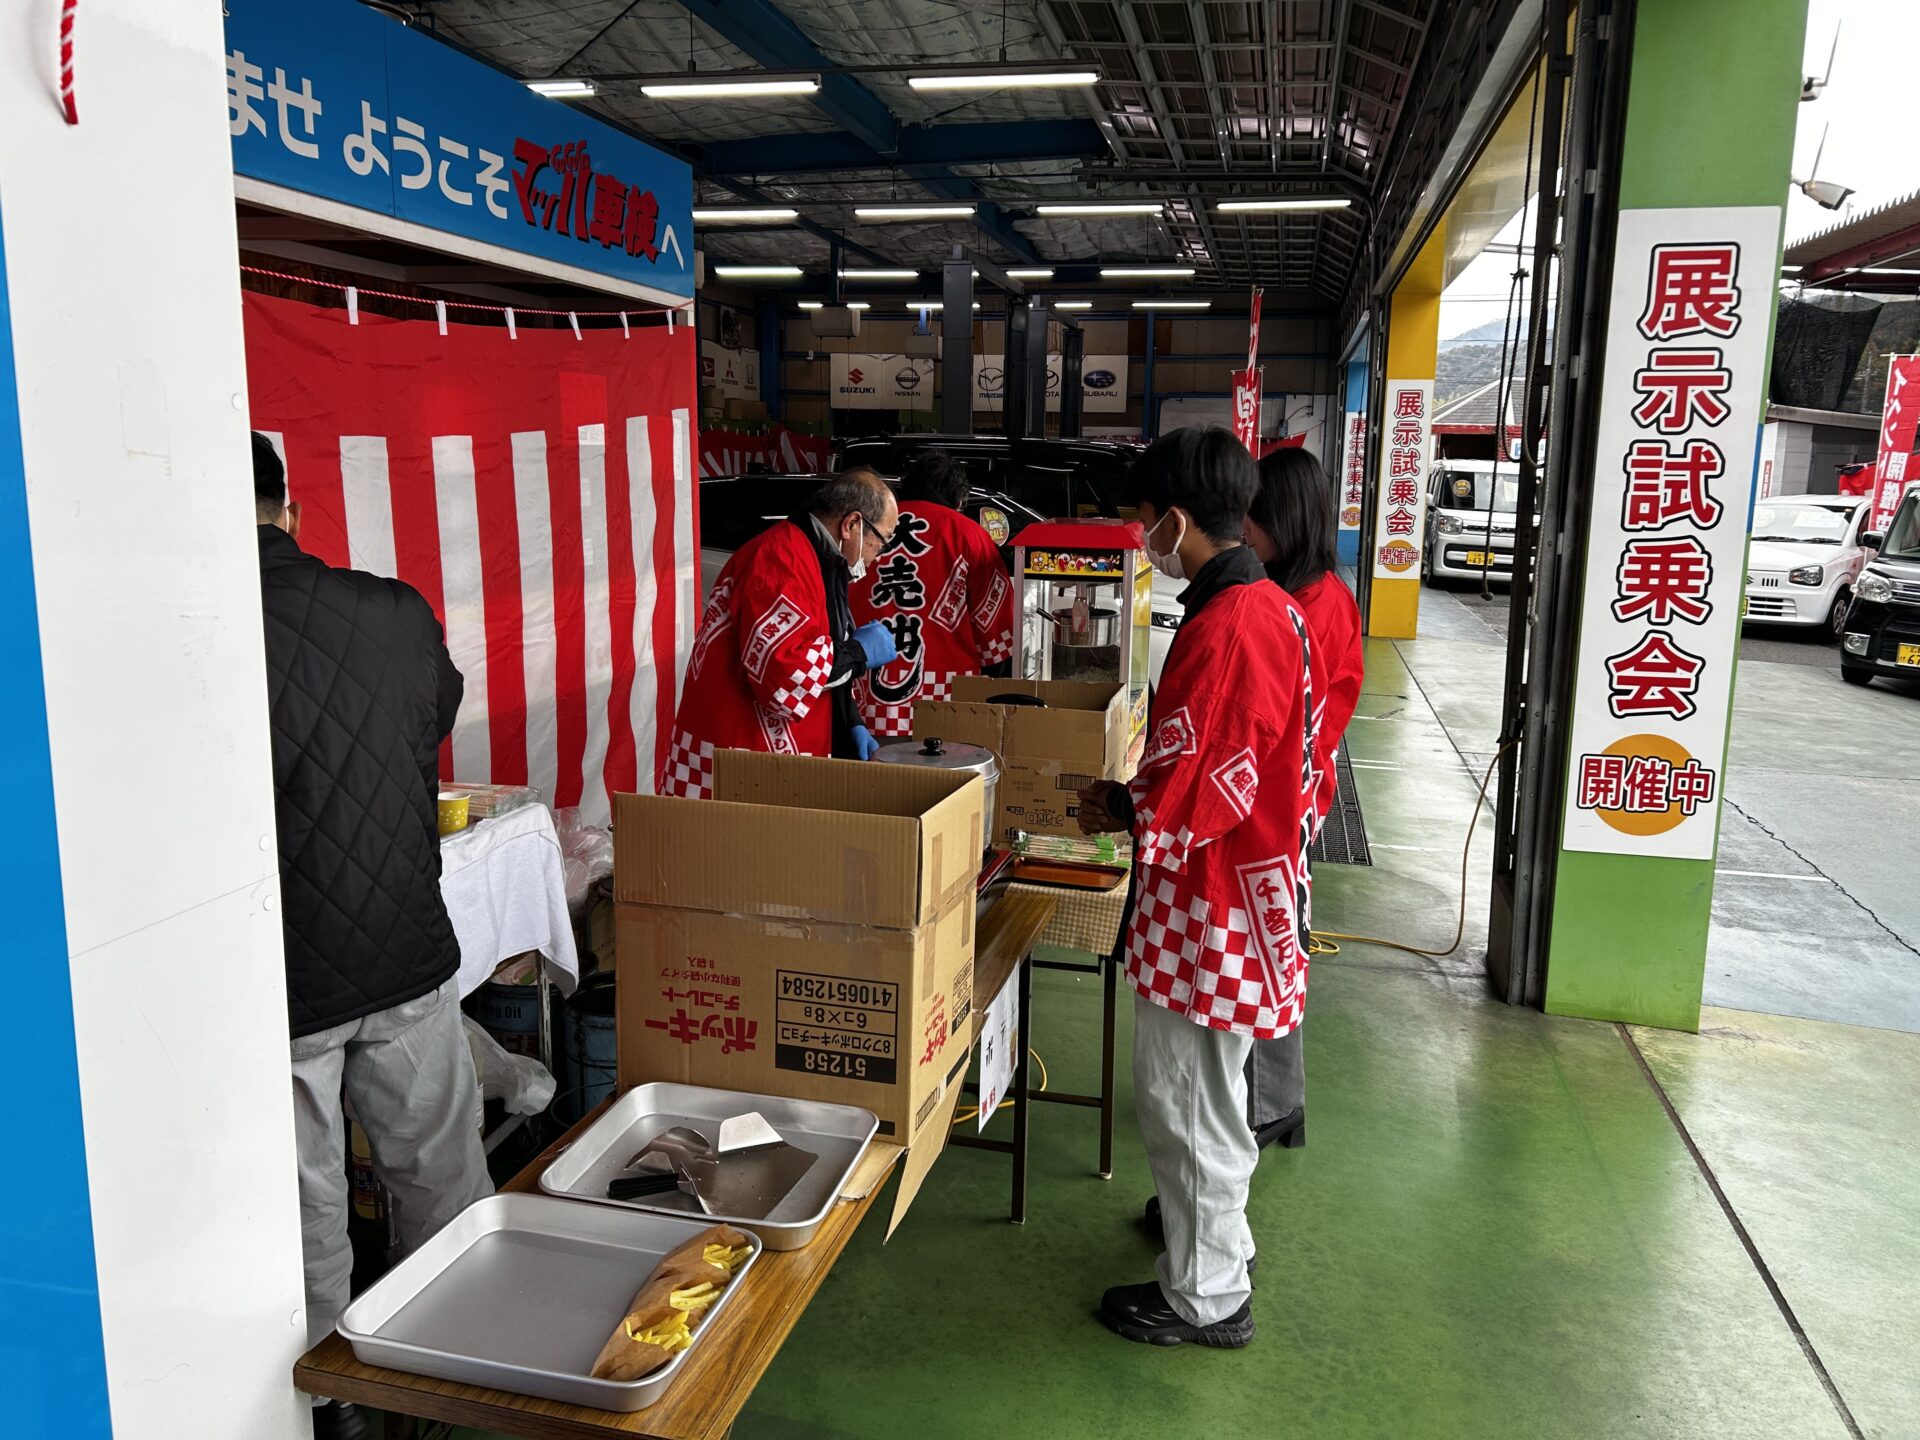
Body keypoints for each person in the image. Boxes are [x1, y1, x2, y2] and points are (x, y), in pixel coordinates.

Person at [254, 433, 490, 1440]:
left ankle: (331, 1406)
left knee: (303, 1211)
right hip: (400, 941)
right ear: (291, 511)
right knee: (435, 1166)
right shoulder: (393, 611)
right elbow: (435, 710)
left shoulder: (193, 631)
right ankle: (456, 1369)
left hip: (281, 977)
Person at [1078, 427, 1317, 1350]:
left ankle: (1207, 1296)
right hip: (1240, 892)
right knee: (1207, 1096)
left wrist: (1118, 808)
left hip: (1212, 900)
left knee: (1186, 1099)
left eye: (1145, 523)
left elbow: (1196, 780)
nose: (1144, 540)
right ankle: (1216, 1247)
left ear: (1176, 520)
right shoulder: (1267, 604)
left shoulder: (1230, 626)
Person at [1239, 445, 1364, 1147]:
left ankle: (1267, 1106)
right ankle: (1275, 1100)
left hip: (1283, 810)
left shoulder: (1309, 606)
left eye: (1257, 517)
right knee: (1272, 952)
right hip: (1290, 802)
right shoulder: (1314, 595)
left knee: (1263, 956)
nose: (1247, 530)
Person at [660, 468, 900, 796]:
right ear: (851, 525)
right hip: (739, 754)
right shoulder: (780, 559)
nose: (878, 556)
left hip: (773, 756)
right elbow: (786, 675)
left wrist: (850, 721)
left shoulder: (822, 560)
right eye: (881, 541)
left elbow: (824, 651)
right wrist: (858, 653)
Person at [850, 449, 1016, 735]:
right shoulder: (970, 536)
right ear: (960, 500)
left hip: (862, 710)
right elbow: (997, 643)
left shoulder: (865, 531)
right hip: (948, 711)